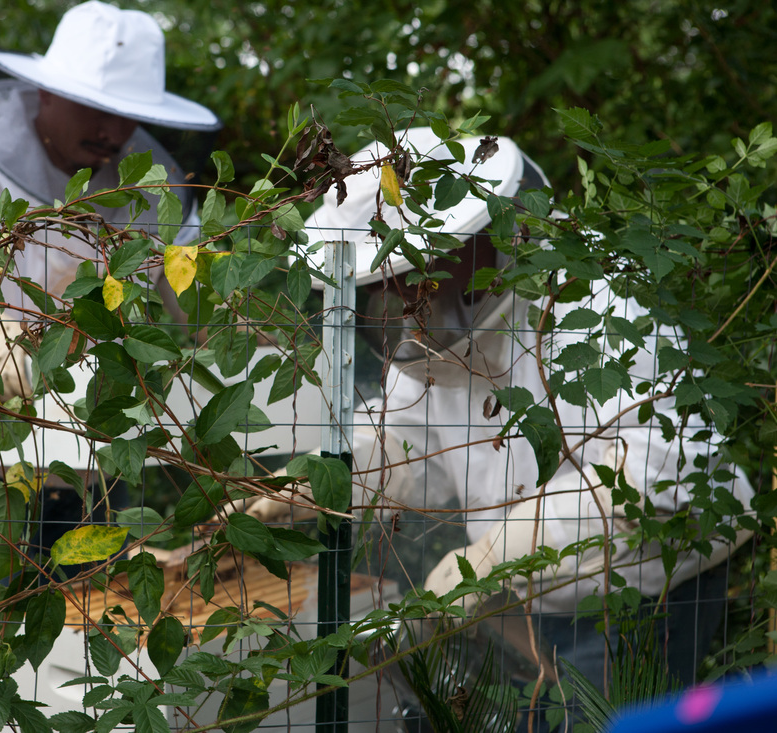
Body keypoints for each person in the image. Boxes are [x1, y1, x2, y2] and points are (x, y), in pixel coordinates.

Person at [247, 127, 755, 725]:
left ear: (477, 237)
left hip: (646, 587)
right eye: (382, 285)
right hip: (526, 594)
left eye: (412, 272)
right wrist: (317, 483)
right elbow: (407, 446)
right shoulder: (431, 331)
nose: (401, 295)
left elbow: (654, 472)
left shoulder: (595, 298)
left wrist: (492, 554)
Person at [0, 3, 219, 730]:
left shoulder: (147, 185)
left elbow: (188, 301)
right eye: (93, 108)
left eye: (124, 114)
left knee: (82, 670)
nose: (109, 131)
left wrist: (201, 307)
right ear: (46, 94)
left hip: (99, 466)